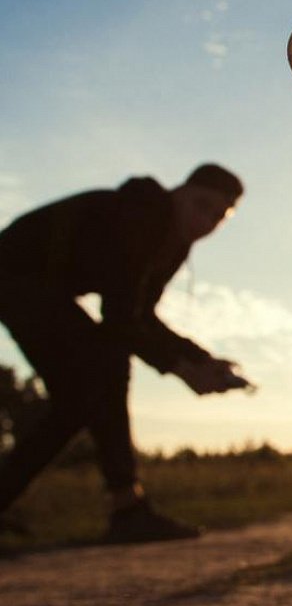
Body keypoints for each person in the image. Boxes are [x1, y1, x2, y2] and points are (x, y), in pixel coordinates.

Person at [0, 164, 249, 543]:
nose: (206, 222)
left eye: (218, 217)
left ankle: (124, 508)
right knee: (106, 364)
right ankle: (127, 509)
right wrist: (181, 368)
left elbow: (141, 315)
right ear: (179, 192)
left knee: (78, 401)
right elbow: (119, 320)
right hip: (15, 275)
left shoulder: (174, 243)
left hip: (43, 287)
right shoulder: (143, 214)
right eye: (201, 205)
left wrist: (200, 359)